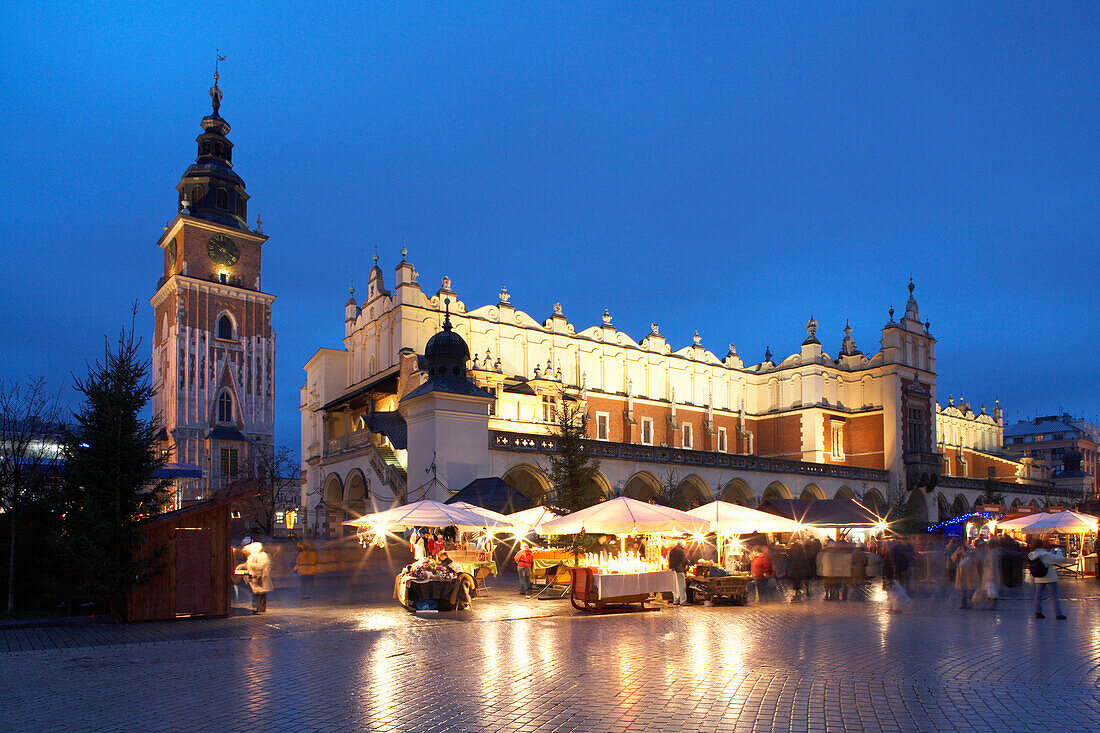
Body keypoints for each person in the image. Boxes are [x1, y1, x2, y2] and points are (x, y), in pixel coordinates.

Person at [1029, 539, 1071, 619]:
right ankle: (1058, 614)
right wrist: (1059, 552)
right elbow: (1057, 559)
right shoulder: (1044, 554)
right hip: (1050, 577)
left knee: (1038, 595)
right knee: (1054, 596)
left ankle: (1038, 612)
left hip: (1038, 577)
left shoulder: (1032, 554)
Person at [235, 541, 274, 614]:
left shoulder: (262, 555)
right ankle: (256, 607)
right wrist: (240, 566)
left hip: (260, 577)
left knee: (261, 593)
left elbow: (263, 565)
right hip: (254, 577)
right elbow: (247, 564)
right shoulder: (253, 555)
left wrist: (252, 566)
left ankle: (261, 608)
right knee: (256, 592)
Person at [954, 544, 979, 609]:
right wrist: (957, 554)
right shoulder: (959, 548)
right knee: (963, 588)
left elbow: (976, 560)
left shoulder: (975, 550)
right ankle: (963, 603)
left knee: (971, 588)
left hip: (971, 572)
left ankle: (971, 603)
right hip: (962, 572)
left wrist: (966, 554)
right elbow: (953, 558)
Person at [668, 540, 689, 605]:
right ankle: (683, 601)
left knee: (675, 586)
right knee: (681, 586)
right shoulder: (680, 551)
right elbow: (685, 560)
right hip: (679, 570)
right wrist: (688, 562)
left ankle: (676, 600)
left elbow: (670, 561)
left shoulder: (672, 551)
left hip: (673, 570)